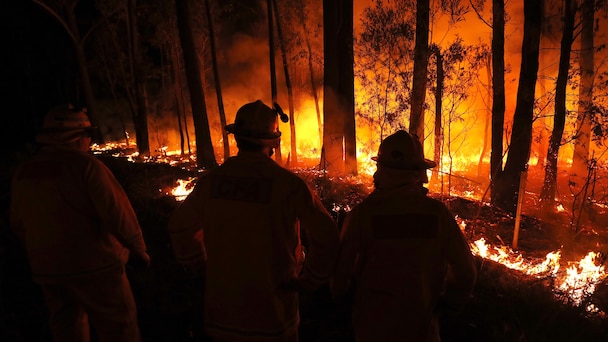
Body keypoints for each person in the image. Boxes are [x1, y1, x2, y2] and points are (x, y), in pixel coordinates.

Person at [168, 100, 340, 342]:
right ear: (274, 141)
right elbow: (327, 236)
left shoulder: (211, 182)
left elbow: (181, 226)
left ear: (236, 138)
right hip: (274, 316)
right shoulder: (289, 185)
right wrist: (310, 279)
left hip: (223, 315)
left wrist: (200, 265)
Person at [9, 104, 150, 342]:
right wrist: (139, 249)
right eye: (87, 135)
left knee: (67, 331)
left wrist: (42, 251)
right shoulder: (86, 166)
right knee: (119, 329)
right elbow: (118, 213)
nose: (89, 141)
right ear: (77, 138)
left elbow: (17, 223)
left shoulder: (24, 171)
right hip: (97, 268)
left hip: (49, 271)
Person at [331, 130, 477, 342]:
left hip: (373, 327)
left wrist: (343, 303)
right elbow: (466, 272)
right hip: (422, 328)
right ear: (418, 173)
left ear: (380, 169)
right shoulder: (437, 214)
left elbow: (340, 276)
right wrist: (450, 304)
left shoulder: (363, 215)